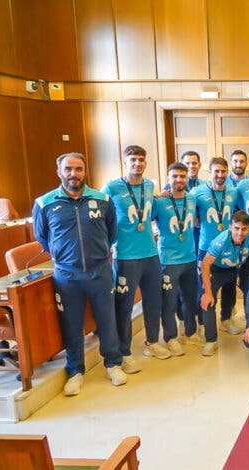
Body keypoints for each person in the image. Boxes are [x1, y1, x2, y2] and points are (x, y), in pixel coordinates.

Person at [33, 152, 127, 396]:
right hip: (66, 277)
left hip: (100, 272)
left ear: (85, 171)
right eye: (68, 169)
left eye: (78, 169)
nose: (73, 174)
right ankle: (75, 371)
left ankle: (113, 364)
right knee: (72, 325)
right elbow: (42, 236)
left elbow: (112, 232)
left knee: (107, 320)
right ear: (59, 172)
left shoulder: (102, 199)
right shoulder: (45, 203)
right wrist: (62, 254)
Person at [102, 145, 166, 368]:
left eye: (141, 159)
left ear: (145, 162)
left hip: (151, 254)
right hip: (126, 257)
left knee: (153, 302)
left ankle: (152, 342)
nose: (137, 163)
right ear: (125, 162)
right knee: (124, 306)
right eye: (133, 159)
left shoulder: (149, 186)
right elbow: (101, 217)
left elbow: (155, 207)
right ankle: (124, 352)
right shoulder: (111, 187)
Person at [192, 157, 244, 334]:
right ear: (210, 172)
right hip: (206, 247)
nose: (220, 175)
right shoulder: (197, 192)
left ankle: (226, 319)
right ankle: (202, 323)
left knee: (229, 285)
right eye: (216, 171)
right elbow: (185, 208)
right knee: (204, 286)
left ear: (227, 171)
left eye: (223, 171)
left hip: (229, 247)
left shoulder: (233, 191)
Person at [200, 210, 249, 356]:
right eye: (236, 228)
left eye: (244, 229)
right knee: (208, 300)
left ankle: (234, 322)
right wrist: (208, 292)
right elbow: (205, 264)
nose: (240, 233)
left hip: (237, 267)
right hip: (217, 269)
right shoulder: (220, 241)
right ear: (230, 227)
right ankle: (211, 340)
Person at [152, 162, 199, 355]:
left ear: (187, 178)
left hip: (189, 258)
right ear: (168, 179)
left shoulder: (192, 198)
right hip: (168, 260)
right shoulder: (160, 201)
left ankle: (190, 332)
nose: (179, 180)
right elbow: (145, 219)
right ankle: (170, 337)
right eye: (175, 176)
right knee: (169, 302)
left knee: (190, 299)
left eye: (182, 176)